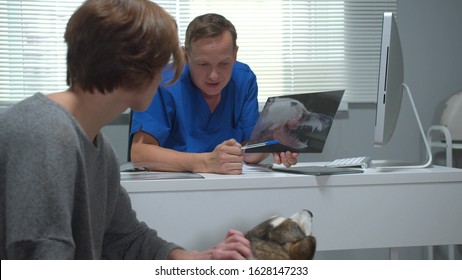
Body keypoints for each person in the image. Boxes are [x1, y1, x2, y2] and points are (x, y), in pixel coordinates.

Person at [0, 0, 251, 260]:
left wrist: (194, 259)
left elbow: (125, 238)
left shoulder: (100, 149)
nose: (170, 74)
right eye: (163, 61)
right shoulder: (43, 135)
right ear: (132, 67)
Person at [130, 13, 298, 175]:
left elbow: (247, 153)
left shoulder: (243, 79)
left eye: (224, 64)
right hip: (172, 187)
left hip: (228, 186)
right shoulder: (164, 81)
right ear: (186, 57)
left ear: (235, 55)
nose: (214, 75)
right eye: (203, 64)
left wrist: (272, 144)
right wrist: (205, 163)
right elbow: (140, 154)